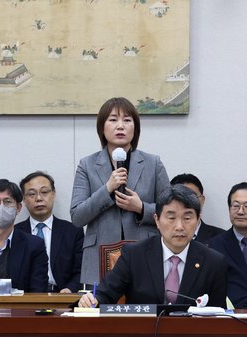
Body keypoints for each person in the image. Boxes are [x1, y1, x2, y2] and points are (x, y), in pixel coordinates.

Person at [70, 97, 170, 286]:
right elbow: (77, 216)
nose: (120, 126)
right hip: (100, 256)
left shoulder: (153, 163)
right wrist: (107, 189)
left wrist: (141, 208)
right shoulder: (87, 165)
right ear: (102, 127)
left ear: (135, 127)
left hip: (145, 252)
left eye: (127, 120)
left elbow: (170, 212)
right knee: (102, 314)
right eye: (113, 119)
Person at [78, 185, 227, 308]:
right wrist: (93, 300)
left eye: (187, 218)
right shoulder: (134, 255)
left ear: (198, 219)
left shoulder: (214, 262)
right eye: (171, 217)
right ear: (156, 220)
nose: (179, 226)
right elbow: (105, 294)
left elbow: (218, 315)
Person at [15, 171, 84, 293]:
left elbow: (81, 269)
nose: (39, 198)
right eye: (31, 194)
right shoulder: (15, 233)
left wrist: (69, 289)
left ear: (53, 194)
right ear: (24, 199)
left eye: (44, 192)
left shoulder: (72, 231)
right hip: (26, 298)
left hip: (62, 295)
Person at [170, 173, 224, 245]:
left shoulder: (222, 238)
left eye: (192, 196)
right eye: (179, 197)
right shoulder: (157, 238)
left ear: (202, 200)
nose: (186, 202)